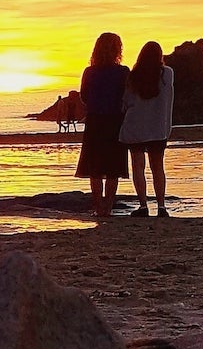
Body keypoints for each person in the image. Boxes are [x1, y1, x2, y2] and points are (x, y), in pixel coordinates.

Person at [73, 32, 129, 217]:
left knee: (95, 168)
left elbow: (84, 96)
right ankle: (108, 208)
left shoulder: (90, 72)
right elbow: (127, 96)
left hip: (95, 121)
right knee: (113, 168)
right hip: (115, 121)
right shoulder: (123, 72)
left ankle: (99, 208)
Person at [120, 41, 175, 216]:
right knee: (157, 167)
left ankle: (143, 206)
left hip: (136, 125)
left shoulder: (133, 76)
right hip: (157, 126)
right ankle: (161, 206)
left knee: (138, 166)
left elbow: (126, 102)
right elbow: (169, 98)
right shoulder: (167, 74)